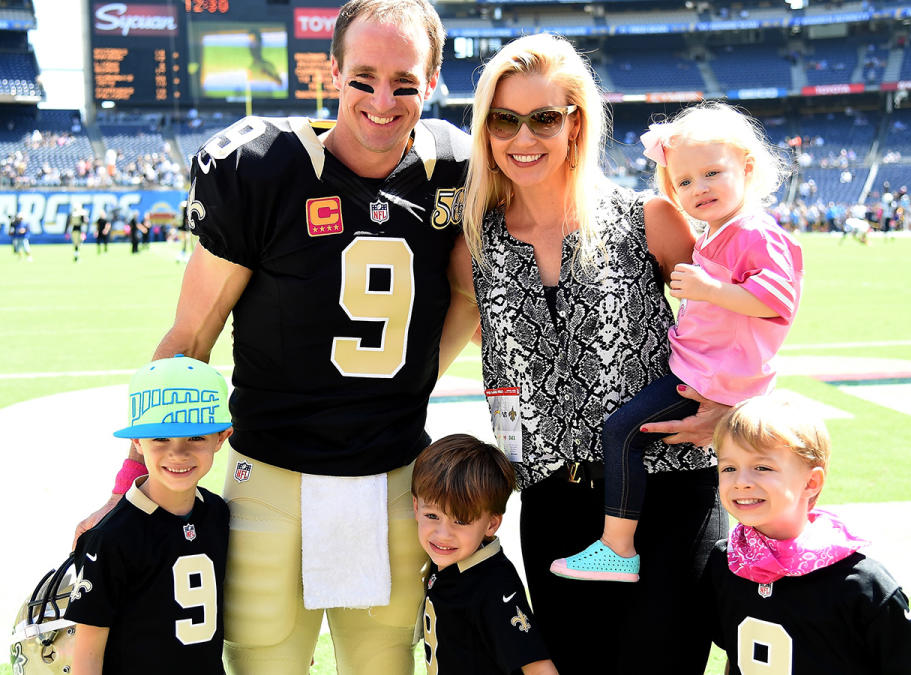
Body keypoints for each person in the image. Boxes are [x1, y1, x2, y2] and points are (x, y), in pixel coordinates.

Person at [74, 1, 470, 673]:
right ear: (333, 72)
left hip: (392, 474)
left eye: (405, 81)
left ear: (430, 83)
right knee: (264, 660)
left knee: (384, 659)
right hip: (273, 473)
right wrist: (131, 481)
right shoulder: (265, 167)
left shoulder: (452, 169)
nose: (383, 99)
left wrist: (415, 378)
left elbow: (467, 295)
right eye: (364, 77)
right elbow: (190, 338)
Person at [446, 33, 728, 673]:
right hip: (552, 505)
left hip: (670, 492)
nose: (524, 137)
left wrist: (729, 413)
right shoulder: (473, 248)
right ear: (486, 129)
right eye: (504, 119)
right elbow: (445, 360)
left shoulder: (648, 220)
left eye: (544, 117)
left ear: (576, 123)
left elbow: (741, 332)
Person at [551, 101, 801, 583]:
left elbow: (778, 301)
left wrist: (709, 291)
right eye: (684, 182)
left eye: (712, 173)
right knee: (739, 465)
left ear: (747, 169)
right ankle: (760, 554)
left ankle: (618, 546)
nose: (698, 188)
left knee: (622, 432)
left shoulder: (755, 233)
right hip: (701, 371)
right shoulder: (718, 233)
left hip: (710, 379)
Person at [702, 393, 911, 674]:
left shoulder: (861, 583)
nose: (741, 481)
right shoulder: (727, 560)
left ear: (811, 482)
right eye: (729, 467)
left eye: (762, 467)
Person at [66, 355, 233, 675]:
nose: (178, 452)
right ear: (136, 441)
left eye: (196, 436)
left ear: (221, 437)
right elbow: (87, 654)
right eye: (160, 437)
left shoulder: (217, 514)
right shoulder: (110, 537)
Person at [411, 434, 556, 675]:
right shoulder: (447, 561)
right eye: (432, 516)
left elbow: (538, 667)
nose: (443, 534)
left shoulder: (494, 586)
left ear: (491, 524)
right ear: (416, 507)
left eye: (461, 521)